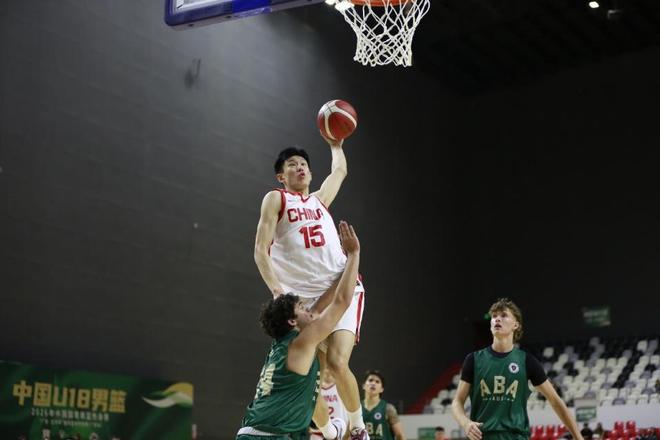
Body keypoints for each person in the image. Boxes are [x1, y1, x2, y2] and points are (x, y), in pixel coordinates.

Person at [254, 140, 368, 440]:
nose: (300, 167)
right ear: (281, 176)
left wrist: (336, 144)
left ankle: (358, 428)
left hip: (339, 287)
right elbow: (260, 250)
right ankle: (330, 432)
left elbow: (339, 171)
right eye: (292, 164)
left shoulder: (319, 200)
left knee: (337, 362)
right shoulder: (276, 199)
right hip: (304, 303)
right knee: (306, 379)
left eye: (303, 164)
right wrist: (277, 290)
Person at [237, 221, 360, 440]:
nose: (308, 309)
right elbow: (342, 301)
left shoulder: (280, 345)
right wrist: (353, 255)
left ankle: (331, 432)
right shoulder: (301, 343)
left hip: (254, 431)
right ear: (292, 321)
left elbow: (321, 306)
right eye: (302, 307)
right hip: (267, 436)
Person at [451, 298, 584, 440]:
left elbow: (556, 401)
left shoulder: (527, 361)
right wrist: (465, 423)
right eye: (494, 316)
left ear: (516, 325)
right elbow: (457, 401)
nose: (497, 319)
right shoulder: (474, 359)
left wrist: (579, 438)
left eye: (504, 315)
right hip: (483, 436)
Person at [361, 370, 406, 440]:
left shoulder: (388, 408)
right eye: (370, 380)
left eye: (377, 382)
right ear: (363, 386)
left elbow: (400, 435)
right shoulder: (356, 408)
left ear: (381, 389)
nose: (373, 383)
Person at [310, 369, 350, 440]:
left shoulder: (342, 387)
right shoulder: (314, 388)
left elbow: (350, 413)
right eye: (326, 366)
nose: (328, 369)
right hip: (317, 433)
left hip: (339, 432)